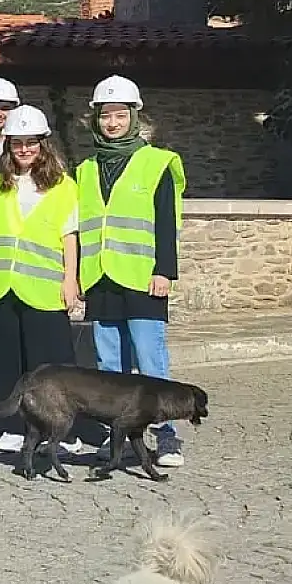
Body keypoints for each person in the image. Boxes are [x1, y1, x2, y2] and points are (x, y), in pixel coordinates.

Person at [77, 75, 187, 467]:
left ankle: (168, 435)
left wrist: (165, 271)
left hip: (143, 277)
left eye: (119, 115)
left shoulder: (156, 162)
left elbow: (166, 222)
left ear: (134, 116)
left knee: (151, 361)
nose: (112, 123)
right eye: (105, 116)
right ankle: (118, 438)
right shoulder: (85, 169)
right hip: (101, 277)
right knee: (110, 369)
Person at [0, 106, 81, 454]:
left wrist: (70, 280)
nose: (24, 150)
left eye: (30, 143)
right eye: (17, 143)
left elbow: (70, 236)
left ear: (43, 144)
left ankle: (59, 430)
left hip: (45, 287)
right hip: (4, 285)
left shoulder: (64, 186)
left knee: (51, 366)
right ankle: (10, 429)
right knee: (5, 362)